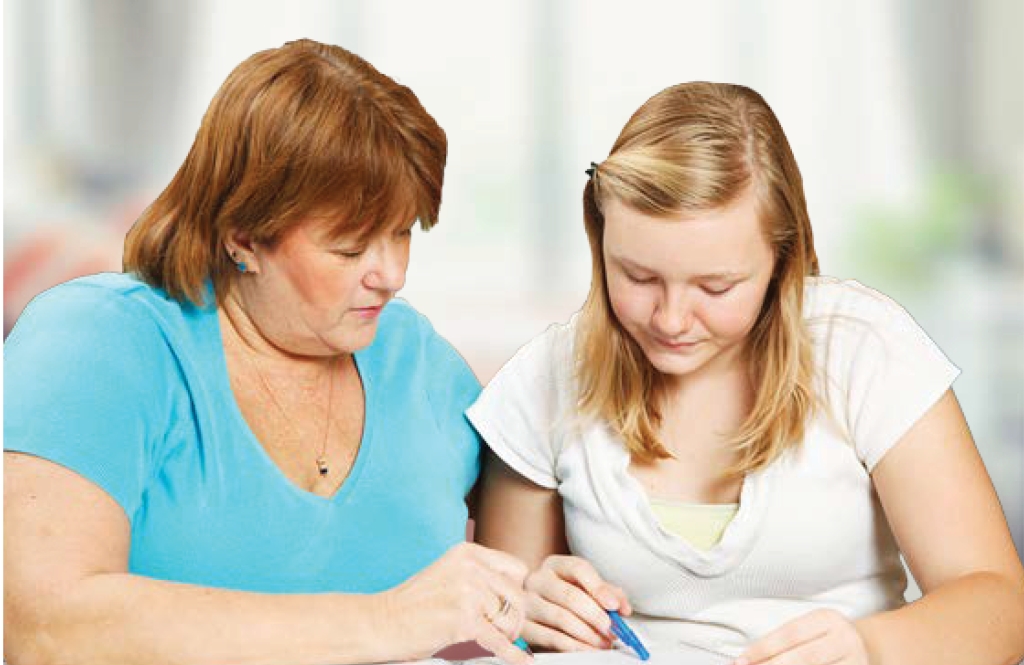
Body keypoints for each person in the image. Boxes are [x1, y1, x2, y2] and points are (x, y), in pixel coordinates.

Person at [4, 39, 532, 665]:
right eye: (349, 248)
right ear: (244, 237)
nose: (391, 274)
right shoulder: (97, 343)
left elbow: (513, 572)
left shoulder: (420, 363)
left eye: (402, 233)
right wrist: (384, 621)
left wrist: (539, 595)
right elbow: (43, 629)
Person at [469, 82, 1024, 664]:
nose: (672, 319)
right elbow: (506, 628)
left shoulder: (864, 350)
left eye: (716, 287)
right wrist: (531, 607)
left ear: (782, 261)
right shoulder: (545, 381)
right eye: (637, 276)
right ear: (600, 237)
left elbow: (1000, 607)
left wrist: (869, 648)